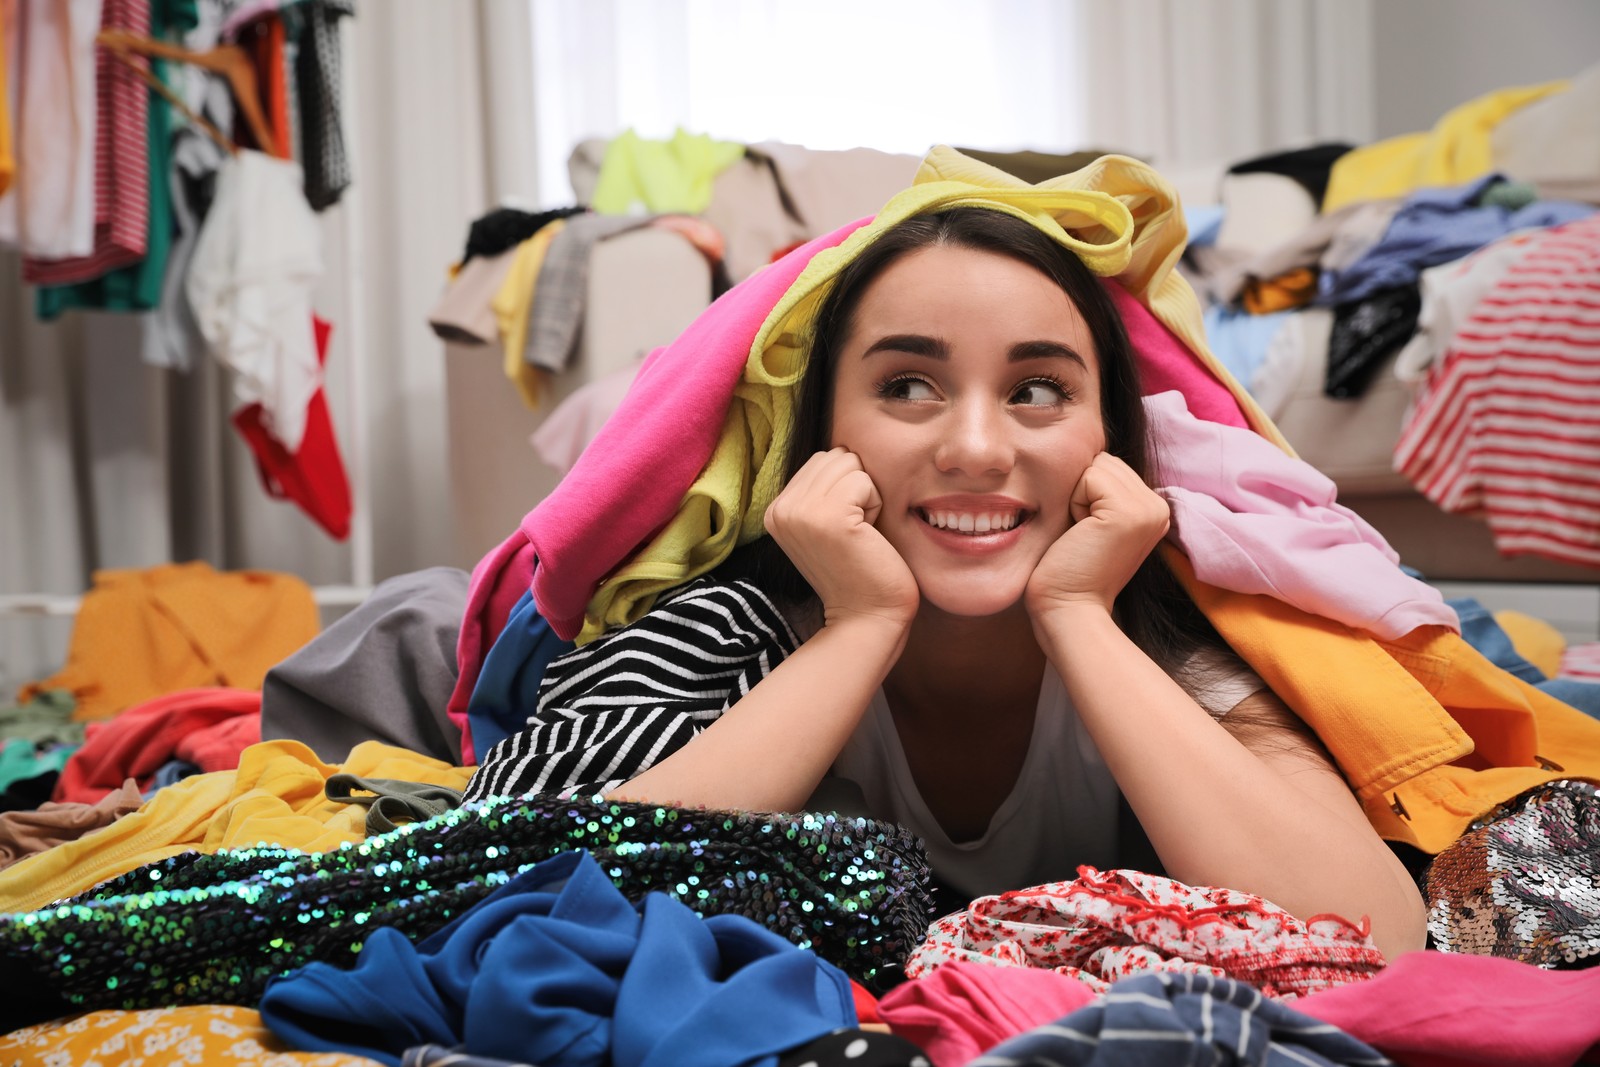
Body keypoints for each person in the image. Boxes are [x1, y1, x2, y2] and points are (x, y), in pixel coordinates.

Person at [463, 206, 1428, 963]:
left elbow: (1376, 937)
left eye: (1037, 390)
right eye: (907, 387)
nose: (974, 448)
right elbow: (545, 901)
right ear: (824, 432)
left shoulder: (1183, 638)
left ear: (1112, 440)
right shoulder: (731, 627)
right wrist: (859, 625)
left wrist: (1079, 616)